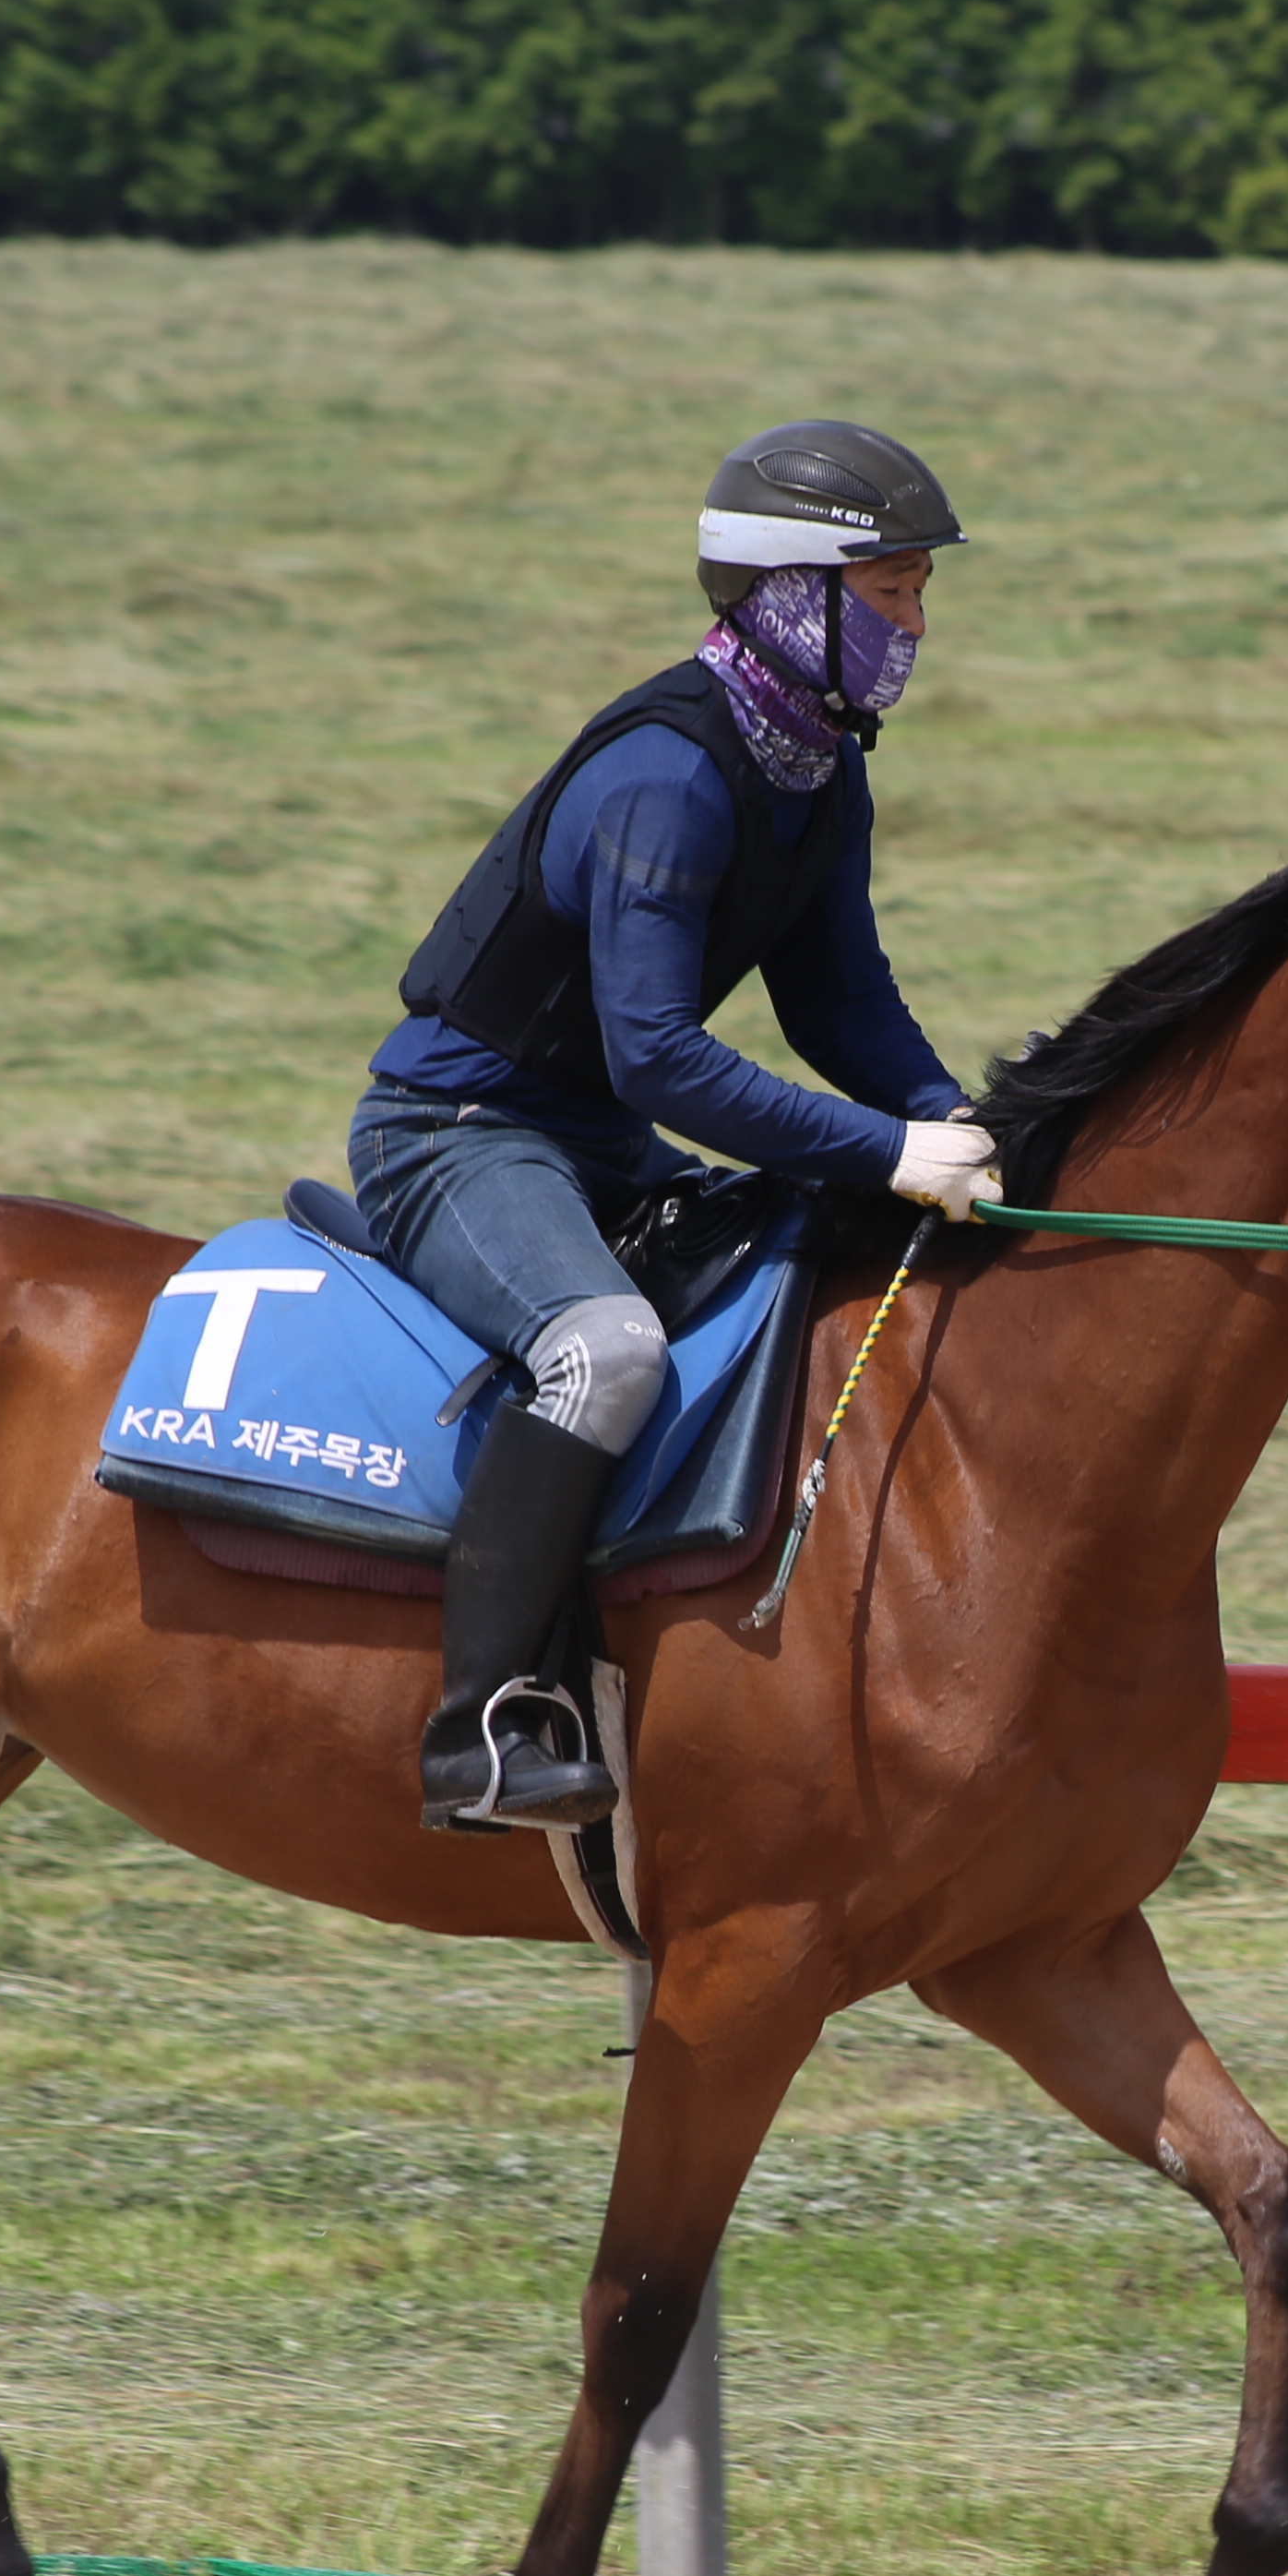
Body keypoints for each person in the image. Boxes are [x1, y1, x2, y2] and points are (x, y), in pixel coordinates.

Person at [352, 421, 1002, 1834]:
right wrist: (888, 1151)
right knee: (605, 1351)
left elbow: (842, 1000)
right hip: (458, 1137)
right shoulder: (669, 776)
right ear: (796, 595)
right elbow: (656, 1057)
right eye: (892, 592)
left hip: (594, 1144)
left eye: (919, 593)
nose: (916, 623)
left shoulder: (819, 762)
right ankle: (483, 1735)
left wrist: (954, 1116)